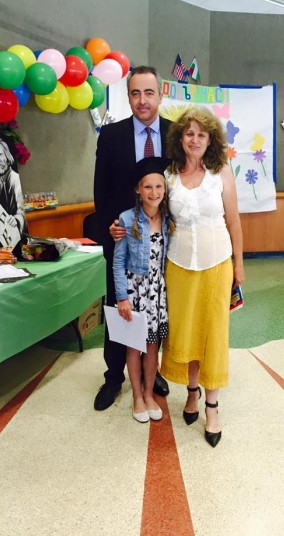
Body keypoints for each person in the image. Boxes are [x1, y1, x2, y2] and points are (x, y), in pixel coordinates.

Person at [160, 106, 245, 447]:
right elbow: (156, 218)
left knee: (213, 334)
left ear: (211, 140)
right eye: (189, 133)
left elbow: (234, 221)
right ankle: (191, 391)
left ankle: (212, 407)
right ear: (180, 138)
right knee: (187, 331)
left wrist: (239, 264)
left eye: (201, 134)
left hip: (216, 263)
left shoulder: (221, 172)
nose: (194, 140)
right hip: (178, 265)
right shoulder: (169, 175)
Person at [93, 66, 171, 411]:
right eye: (135, 93)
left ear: (160, 95)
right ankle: (114, 377)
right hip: (122, 241)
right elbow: (101, 191)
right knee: (119, 310)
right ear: (128, 97)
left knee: (157, 313)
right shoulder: (111, 136)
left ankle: (153, 374)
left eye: (149, 93)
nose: (142, 100)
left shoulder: (174, 134)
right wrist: (108, 229)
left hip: (161, 245)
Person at [113, 156, 174, 422]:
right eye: (147, 186)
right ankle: (137, 396)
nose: (154, 192)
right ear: (138, 189)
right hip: (134, 292)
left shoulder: (169, 219)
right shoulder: (127, 219)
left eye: (159, 186)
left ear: (165, 189)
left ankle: (149, 393)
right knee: (133, 348)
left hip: (157, 293)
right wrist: (122, 297)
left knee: (152, 347)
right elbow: (118, 262)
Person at [0, 138, 26, 234]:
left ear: (7, 157)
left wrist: (16, 219)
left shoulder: (15, 179)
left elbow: (21, 209)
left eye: (0, 154)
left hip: (16, 234)